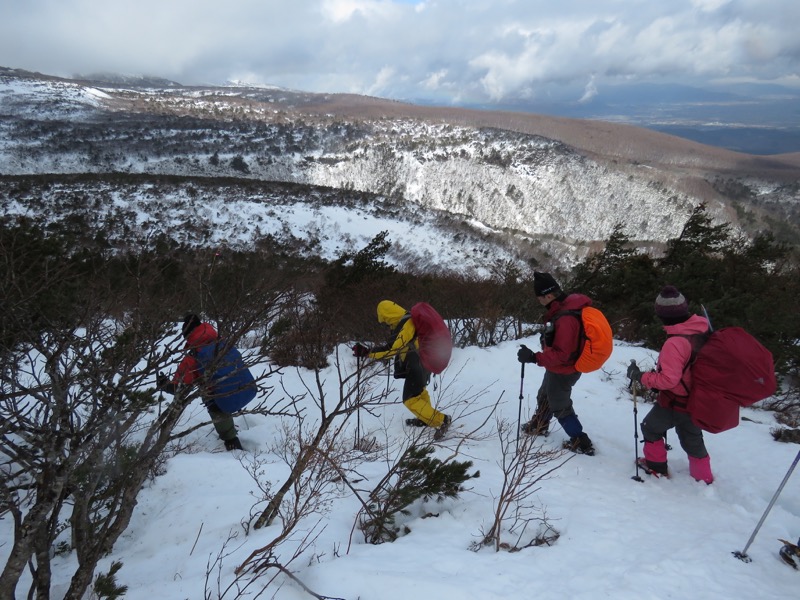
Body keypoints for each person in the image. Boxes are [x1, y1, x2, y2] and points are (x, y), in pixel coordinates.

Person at [627, 286, 714, 483]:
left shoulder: (675, 342)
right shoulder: (701, 329)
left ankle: (656, 466)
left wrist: (640, 376)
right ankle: (704, 478)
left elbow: (668, 380)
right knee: (692, 437)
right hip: (698, 397)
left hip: (677, 400)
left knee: (650, 427)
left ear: (661, 315)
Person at [517, 271, 595, 456]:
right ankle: (540, 425)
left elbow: (563, 355)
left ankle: (581, 441)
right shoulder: (563, 309)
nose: (539, 302)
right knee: (544, 395)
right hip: (557, 368)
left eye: (540, 298)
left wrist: (534, 357)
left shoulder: (566, 318)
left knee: (560, 405)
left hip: (564, 370)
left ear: (549, 295)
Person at [353, 300, 451, 441]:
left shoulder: (406, 324)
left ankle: (442, 420)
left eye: (385, 319)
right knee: (419, 392)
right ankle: (426, 418)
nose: (386, 323)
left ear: (388, 314)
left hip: (418, 363)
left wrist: (368, 352)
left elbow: (391, 349)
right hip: (423, 360)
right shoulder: (408, 319)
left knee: (410, 399)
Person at [157, 314, 243, 451]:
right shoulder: (219, 339)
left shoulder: (194, 355)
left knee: (212, 397)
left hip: (218, 395)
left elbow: (179, 388)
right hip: (238, 385)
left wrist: (164, 384)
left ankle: (232, 444)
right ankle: (230, 435)